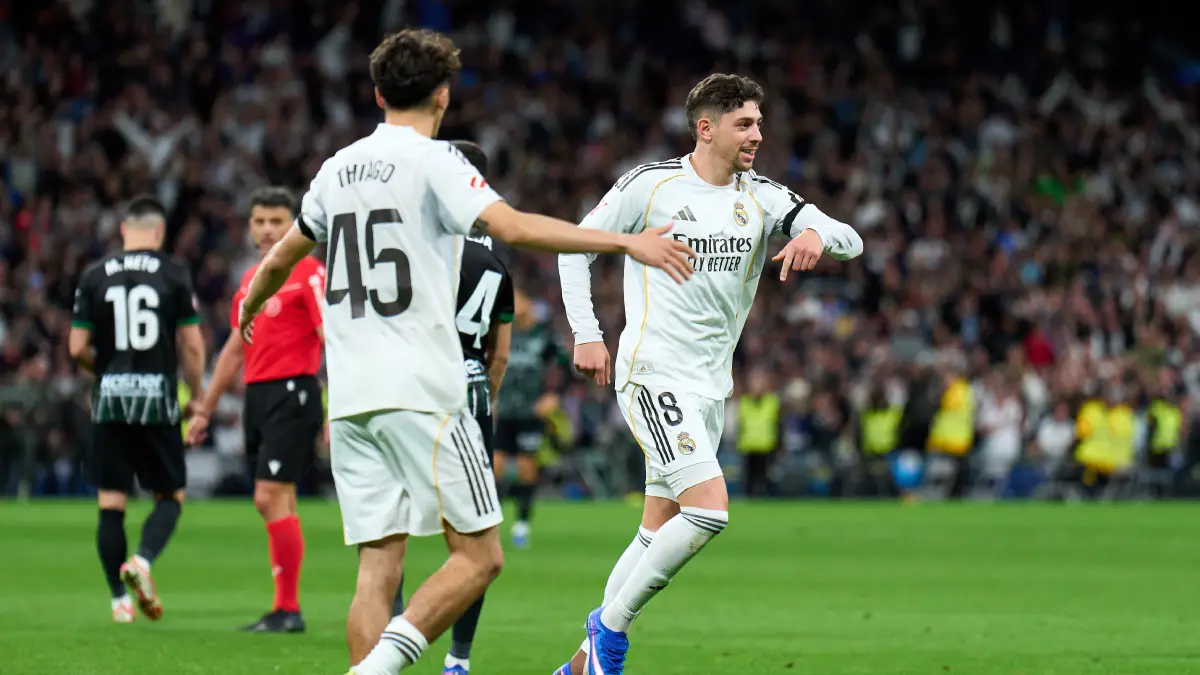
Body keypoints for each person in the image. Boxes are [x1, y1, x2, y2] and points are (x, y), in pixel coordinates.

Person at [234, 29, 695, 675]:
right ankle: (373, 670)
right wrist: (626, 244)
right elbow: (513, 228)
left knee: (377, 565)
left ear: (376, 93)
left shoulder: (335, 167)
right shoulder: (435, 161)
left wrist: (252, 300)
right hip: (422, 390)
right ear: (444, 96)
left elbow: (286, 252)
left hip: (351, 399)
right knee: (480, 556)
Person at [557, 73, 863, 675]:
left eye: (758, 122)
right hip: (652, 372)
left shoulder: (764, 196)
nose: (757, 133)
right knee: (709, 510)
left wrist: (811, 231)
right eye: (744, 123)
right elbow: (574, 245)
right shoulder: (652, 187)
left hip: (709, 387)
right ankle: (608, 636)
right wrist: (589, 334)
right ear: (707, 128)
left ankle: (580, 663)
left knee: (658, 525)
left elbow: (850, 239)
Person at [391, 139, 515, 675]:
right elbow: (500, 356)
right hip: (471, 399)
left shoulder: (421, 249)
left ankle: (388, 642)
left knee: (389, 529)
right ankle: (458, 661)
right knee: (475, 541)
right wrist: (482, 404)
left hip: (413, 395)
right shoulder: (495, 265)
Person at [185, 187, 326, 633]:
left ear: (294, 225)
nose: (267, 230)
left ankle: (288, 608)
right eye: (260, 221)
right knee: (274, 501)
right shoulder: (250, 280)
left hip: (294, 392)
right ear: (250, 226)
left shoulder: (309, 272)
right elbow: (233, 348)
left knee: (270, 494)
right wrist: (204, 408)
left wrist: (335, 404)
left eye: (277, 222)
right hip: (258, 397)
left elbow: (332, 337)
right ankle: (286, 609)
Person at [67, 196, 207, 623]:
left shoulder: (94, 275)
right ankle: (142, 561)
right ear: (159, 233)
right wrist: (196, 395)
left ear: (124, 229)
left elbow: (76, 349)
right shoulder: (174, 274)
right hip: (157, 398)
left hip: (111, 399)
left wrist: (104, 371)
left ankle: (118, 601)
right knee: (170, 495)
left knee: (111, 501)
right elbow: (193, 345)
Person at [493, 286, 568, 548]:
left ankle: (522, 525)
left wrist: (554, 395)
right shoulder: (503, 334)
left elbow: (565, 366)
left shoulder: (542, 337)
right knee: (496, 466)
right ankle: (488, 525)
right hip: (505, 411)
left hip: (529, 413)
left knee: (526, 469)